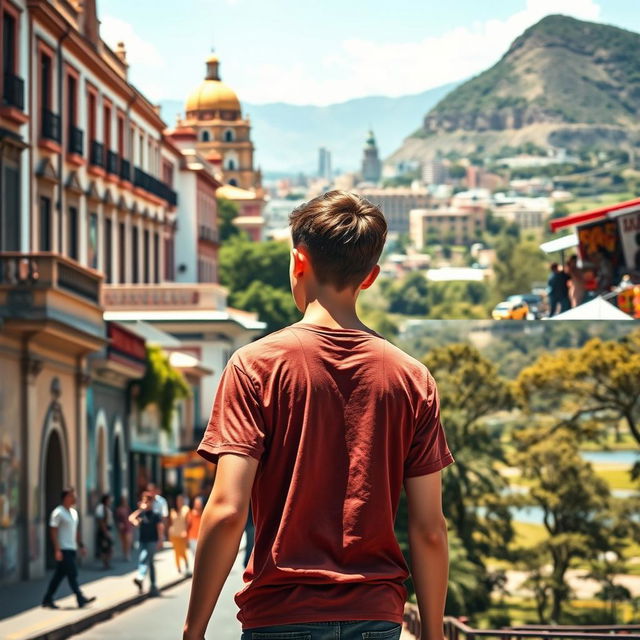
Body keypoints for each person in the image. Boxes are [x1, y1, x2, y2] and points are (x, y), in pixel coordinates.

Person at [183, 191, 454, 640]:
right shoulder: (413, 379)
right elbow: (429, 528)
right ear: (371, 276)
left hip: (280, 617)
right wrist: (434, 634)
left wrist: (194, 630)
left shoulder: (255, 365)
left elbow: (228, 510)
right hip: (376, 617)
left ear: (298, 262)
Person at [42, 487, 96, 609]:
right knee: (72, 573)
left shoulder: (74, 513)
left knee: (59, 576)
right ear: (66, 498)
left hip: (71, 548)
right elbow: (53, 531)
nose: (75, 498)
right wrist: (57, 549)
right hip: (62, 548)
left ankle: (47, 599)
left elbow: (75, 531)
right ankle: (80, 598)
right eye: (72, 496)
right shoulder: (58, 512)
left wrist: (81, 545)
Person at [129, 491, 163, 597]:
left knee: (144, 559)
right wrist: (140, 510)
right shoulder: (142, 513)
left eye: (147, 501)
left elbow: (160, 528)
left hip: (152, 541)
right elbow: (131, 519)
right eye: (144, 501)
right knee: (150, 563)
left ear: (151, 502)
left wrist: (160, 541)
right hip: (143, 541)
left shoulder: (155, 514)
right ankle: (153, 586)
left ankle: (140, 577)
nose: (145, 503)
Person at [169, 494, 190, 574]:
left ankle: (186, 563)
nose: (179, 502)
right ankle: (178, 567)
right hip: (174, 534)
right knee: (176, 552)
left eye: (181, 500)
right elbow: (170, 522)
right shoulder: (173, 511)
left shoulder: (186, 509)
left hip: (182, 533)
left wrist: (186, 531)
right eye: (178, 500)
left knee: (182, 551)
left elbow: (188, 522)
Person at [95, 493, 114, 569]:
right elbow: (100, 521)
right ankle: (105, 564)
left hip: (108, 529)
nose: (110, 501)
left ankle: (107, 563)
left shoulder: (107, 508)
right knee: (104, 548)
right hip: (103, 530)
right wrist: (105, 531)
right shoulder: (101, 508)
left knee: (109, 548)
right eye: (109, 499)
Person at [115, 494, 133, 561]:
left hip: (128, 526)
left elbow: (131, 516)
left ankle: (128, 554)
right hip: (122, 527)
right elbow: (117, 518)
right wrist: (119, 524)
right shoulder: (118, 509)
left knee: (128, 541)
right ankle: (125, 554)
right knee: (123, 542)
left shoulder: (127, 508)